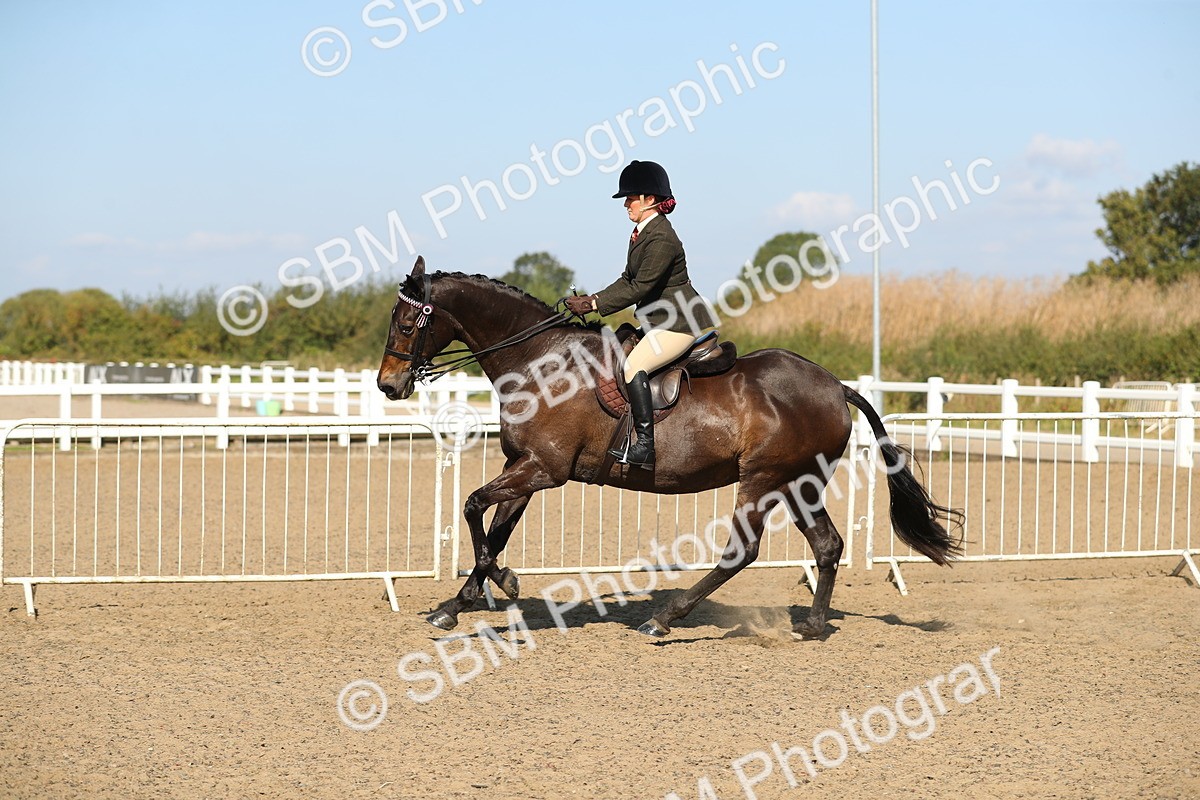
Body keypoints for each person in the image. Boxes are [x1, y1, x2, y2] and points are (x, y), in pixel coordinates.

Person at [565, 160, 718, 468]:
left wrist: (594, 307)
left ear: (650, 199)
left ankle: (645, 446)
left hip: (678, 323)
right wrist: (592, 298)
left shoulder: (662, 237)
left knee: (634, 366)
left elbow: (640, 287)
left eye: (631, 198)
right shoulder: (641, 233)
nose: (626, 204)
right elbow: (627, 279)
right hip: (659, 321)